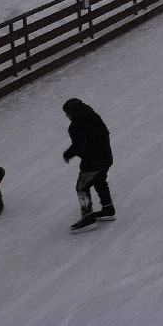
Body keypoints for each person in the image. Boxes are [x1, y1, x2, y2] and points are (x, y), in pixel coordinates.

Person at [62, 98, 115, 231]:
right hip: (106, 157)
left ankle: (88, 218)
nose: (66, 116)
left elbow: (79, 145)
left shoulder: (76, 125)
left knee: (82, 187)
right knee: (99, 181)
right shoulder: (94, 116)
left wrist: (68, 154)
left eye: (67, 113)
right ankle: (108, 209)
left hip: (93, 162)